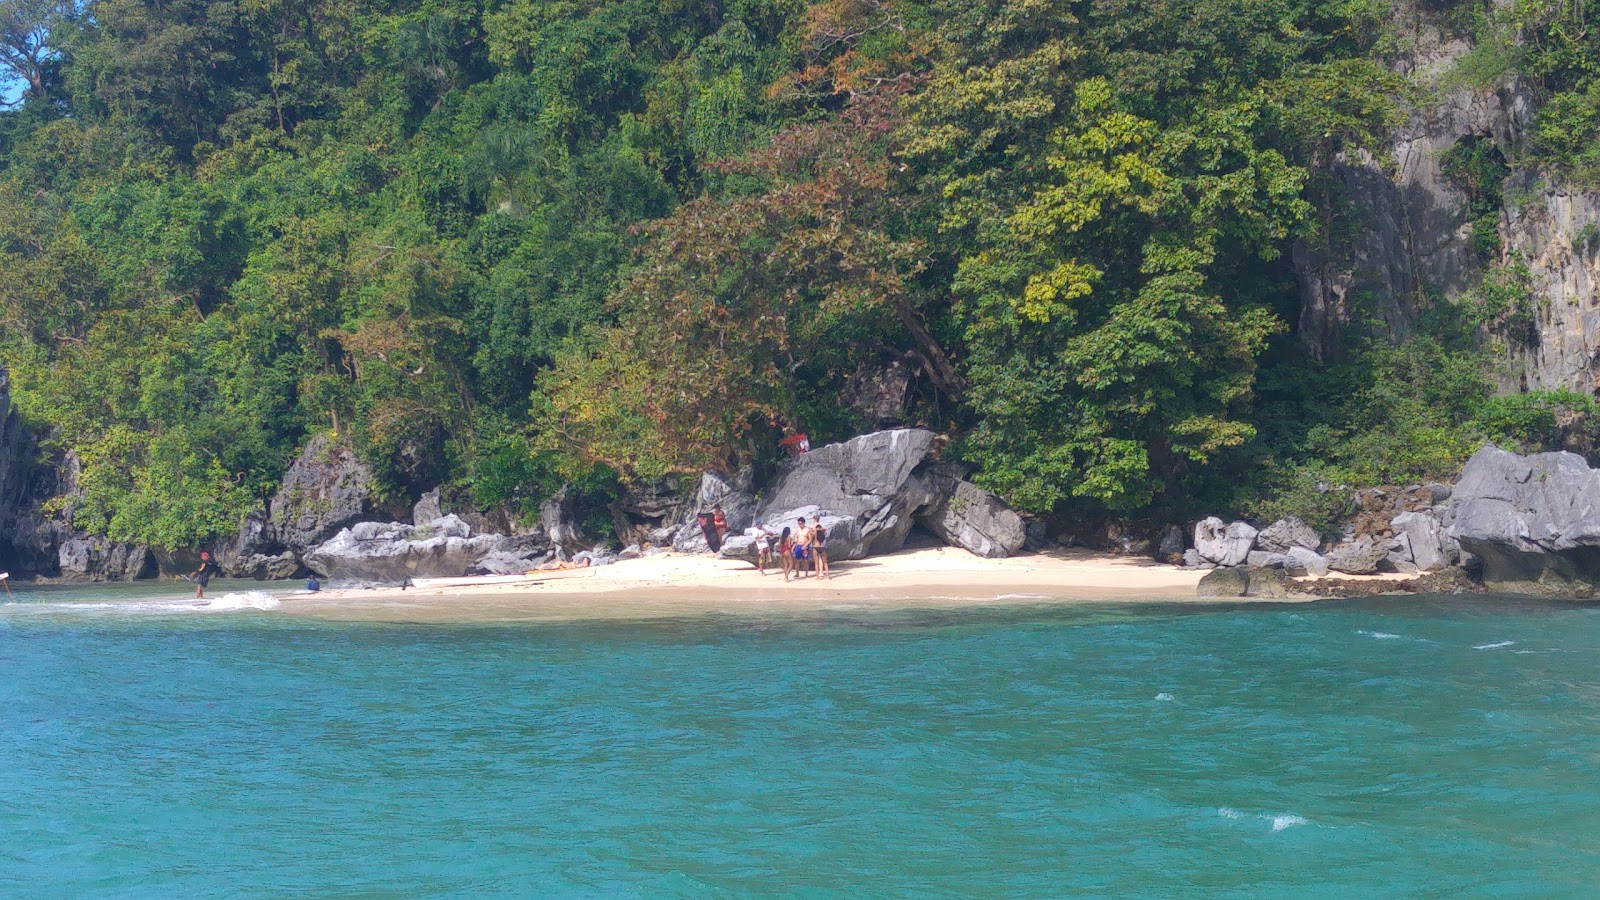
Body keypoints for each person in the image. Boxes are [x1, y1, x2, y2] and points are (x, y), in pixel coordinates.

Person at [812, 514, 830, 580]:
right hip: (822, 547)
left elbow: (813, 534)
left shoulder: (816, 533)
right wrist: (822, 529)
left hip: (816, 547)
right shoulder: (823, 534)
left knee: (816, 563)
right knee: (825, 562)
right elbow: (824, 532)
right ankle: (828, 575)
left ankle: (817, 576)